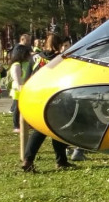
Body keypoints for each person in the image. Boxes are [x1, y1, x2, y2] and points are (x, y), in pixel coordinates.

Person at [20, 34, 71, 172]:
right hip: (55, 97)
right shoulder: (60, 59)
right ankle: (60, 161)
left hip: (36, 96)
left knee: (42, 128)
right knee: (58, 129)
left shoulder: (35, 58)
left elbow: (27, 78)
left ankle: (28, 160)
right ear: (59, 45)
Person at [7, 43, 34, 133]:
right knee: (17, 108)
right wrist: (20, 88)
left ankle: (27, 123)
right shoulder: (16, 65)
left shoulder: (26, 63)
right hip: (18, 89)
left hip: (26, 89)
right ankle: (16, 125)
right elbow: (17, 79)